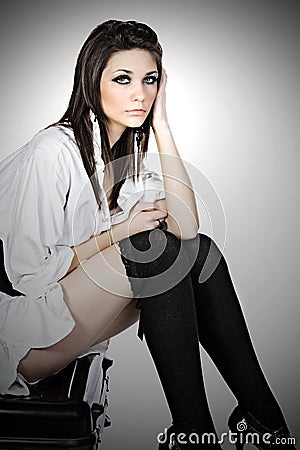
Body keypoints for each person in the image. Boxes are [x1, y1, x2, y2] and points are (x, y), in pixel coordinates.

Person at [0, 20, 296, 449]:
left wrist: (162, 126)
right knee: (149, 249)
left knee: (194, 252)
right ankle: (194, 430)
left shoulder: (122, 159)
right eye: (123, 79)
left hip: (63, 320)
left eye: (150, 80)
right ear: (92, 81)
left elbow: (187, 231)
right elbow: (29, 277)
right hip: (20, 335)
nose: (140, 93)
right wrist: (118, 231)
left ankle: (263, 418)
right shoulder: (53, 153)